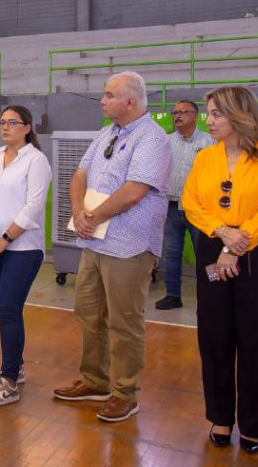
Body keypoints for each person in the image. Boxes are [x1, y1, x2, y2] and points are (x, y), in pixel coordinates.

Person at [53, 71, 172, 422]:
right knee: (88, 312)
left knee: (124, 322)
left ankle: (125, 392)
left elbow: (136, 190)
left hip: (130, 245)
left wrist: (92, 215)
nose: (102, 101)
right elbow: (80, 174)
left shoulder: (152, 139)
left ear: (130, 101)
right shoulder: (108, 133)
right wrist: (80, 211)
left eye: (108, 95)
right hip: (96, 241)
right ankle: (94, 380)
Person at [182, 86, 258, 454]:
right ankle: (221, 416)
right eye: (208, 114)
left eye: (215, 114)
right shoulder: (205, 158)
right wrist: (222, 233)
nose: (207, 121)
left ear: (240, 115)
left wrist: (235, 242)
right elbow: (191, 202)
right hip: (214, 244)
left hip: (254, 250)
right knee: (214, 336)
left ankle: (253, 425)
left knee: (256, 340)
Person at [0, 105, 52, 406]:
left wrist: (4, 240)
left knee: (7, 308)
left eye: (12, 122)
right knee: (8, 309)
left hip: (23, 248)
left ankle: (9, 383)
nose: (5, 127)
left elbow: (32, 206)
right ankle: (14, 367)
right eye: (2, 122)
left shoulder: (36, 161)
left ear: (27, 128)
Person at [155, 100, 214, 310]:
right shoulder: (166, 142)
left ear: (195, 116)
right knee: (171, 253)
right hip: (171, 207)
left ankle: (208, 299)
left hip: (199, 210)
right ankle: (173, 295)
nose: (177, 115)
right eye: (175, 112)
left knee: (205, 254)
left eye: (183, 112)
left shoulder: (210, 142)